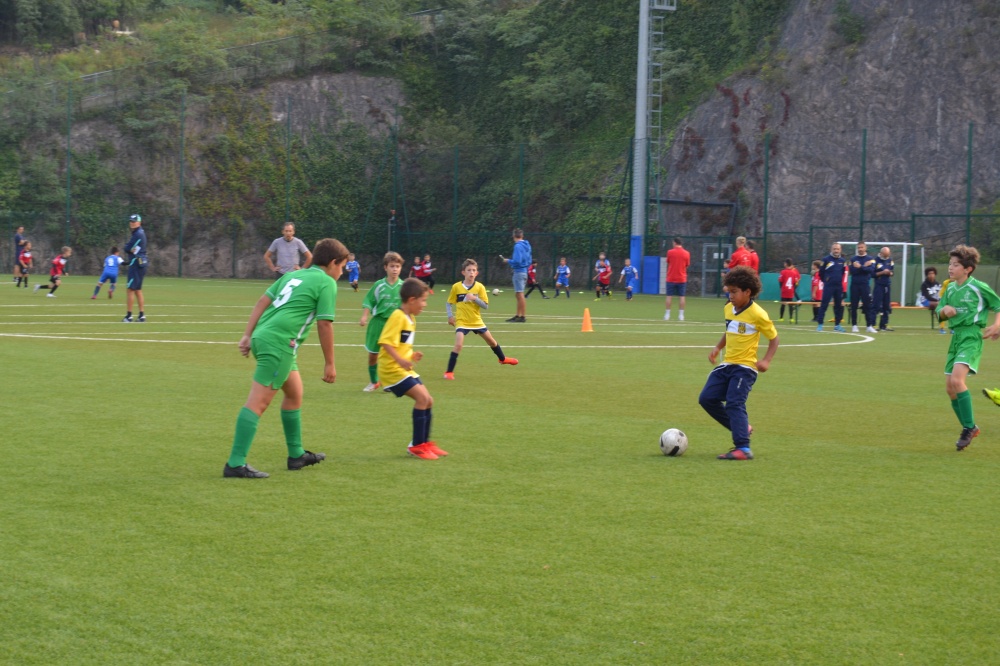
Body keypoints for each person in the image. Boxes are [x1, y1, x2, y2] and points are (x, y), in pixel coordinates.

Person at [223, 238, 348, 478]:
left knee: (294, 394)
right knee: (257, 403)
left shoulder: (293, 275)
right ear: (333, 263)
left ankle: (296, 455)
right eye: (342, 267)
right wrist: (330, 363)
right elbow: (324, 324)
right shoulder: (326, 282)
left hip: (264, 336)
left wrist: (247, 335)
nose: (342, 273)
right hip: (279, 343)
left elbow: (262, 301)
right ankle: (235, 464)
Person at [698, 266, 779, 461]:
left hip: (745, 368)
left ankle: (743, 448)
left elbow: (774, 338)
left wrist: (766, 360)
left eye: (734, 292)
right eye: (729, 291)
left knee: (734, 402)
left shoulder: (758, 314)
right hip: (727, 364)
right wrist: (718, 348)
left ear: (747, 292)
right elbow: (730, 330)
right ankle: (743, 428)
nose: (730, 295)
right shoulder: (728, 308)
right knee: (706, 399)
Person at [934, 245, 1000, 451]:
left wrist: (997, 325)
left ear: (968, 269)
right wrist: (944, 310)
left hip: (971, 336)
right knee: (950, 389)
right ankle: (970, 427)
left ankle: (969, 428)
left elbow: (998, 305)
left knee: (957, 380)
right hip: (956, 337)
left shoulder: (978, 287)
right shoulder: (950, 288)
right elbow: (939, 311)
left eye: (955, 265)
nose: (950, 268)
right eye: (950, 264)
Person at [377, 277, 447, 460]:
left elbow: (401, 344)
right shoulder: (397, 316)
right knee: (422, 398)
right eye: (423, 300)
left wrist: (411, 356)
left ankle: (424, 443)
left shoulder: (411, 319)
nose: (425, 304)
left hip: (403, 368)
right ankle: (416, 446)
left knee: (428, 400)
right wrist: (400, 359)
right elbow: (385, 342)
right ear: (411, 300)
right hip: (391, 370)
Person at [443, 258, 519, 380]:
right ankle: (449, 372)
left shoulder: (480, 287)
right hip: (462, 321)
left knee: (492, 342)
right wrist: (450, 316)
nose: (471, 272)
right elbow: (449, 303)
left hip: (476, 321)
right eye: (469, 270)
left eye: (474, 270)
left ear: (477, 273)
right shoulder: (456, 287)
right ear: (463, 272)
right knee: (458, 345)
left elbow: (485, 306)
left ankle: (503, 359)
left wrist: (475, 298)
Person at [359, 252, 404, 392]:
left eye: (397, 266)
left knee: (392, 355)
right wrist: (364, 316)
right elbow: (369, 301)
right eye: (392, 266)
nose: (395, 269)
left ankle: (389, 383)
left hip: (394, 325)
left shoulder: (403, 286)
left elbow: (408, 306)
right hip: (378, 323)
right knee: (373, 354)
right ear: (385, 267)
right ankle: (374, 382)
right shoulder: (379, 285)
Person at [500, 228, 531, 322]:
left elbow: (517, 260)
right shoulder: (527, 245)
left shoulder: (517, 246)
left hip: (519, 272)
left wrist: (508, 261)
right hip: (524, 271)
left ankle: (522, 317)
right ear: (522, 236)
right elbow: (529, 260)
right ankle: (518, 315)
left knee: (520, 294)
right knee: (518, 294)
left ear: (514, 236)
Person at [122, 214, 148, 323]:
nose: (132, 223)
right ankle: (142, 315)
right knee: (137, 290)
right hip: (141, 263)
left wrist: (127, 248)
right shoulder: (139, 232)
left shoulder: (138, 234)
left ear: (139, 222)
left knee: (130, 289)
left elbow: (128, 248)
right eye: (131, 221)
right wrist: (129, 249)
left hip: (136, 264)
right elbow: (130, 249)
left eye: (134, 221)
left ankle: (129, 316)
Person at [848, 241, 878, 333]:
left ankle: (869, 326)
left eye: (862, 247)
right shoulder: (853, 259)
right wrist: (864, 267)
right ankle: (854, 325)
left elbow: (871, 270)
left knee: (867, 305)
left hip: (865, 285)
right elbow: (852, 271)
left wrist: (860, 267)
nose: (860, 249)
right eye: (859, 247)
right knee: (854, 305)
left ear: (865, 248)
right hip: (855, 285)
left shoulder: (870, 259)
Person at [815, 243, 846, 332]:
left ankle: (837, 325)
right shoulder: (826, 259)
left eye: (838, 249)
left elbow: (843, 272)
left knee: (838, 306)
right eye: (834, 249)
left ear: (840, 250)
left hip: (838, 286)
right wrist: (826, 280)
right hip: (829, 286)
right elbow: (821, 273)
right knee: (824, 304)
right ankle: (820, 324)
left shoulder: (843, 261)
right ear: (831, 249)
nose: (836, 251)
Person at [664, 237, 690, 321]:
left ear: (675, 243)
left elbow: (668, 261)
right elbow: (687, 264)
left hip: (671, 277)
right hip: (682, 278)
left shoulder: (670, 252)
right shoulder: (686, 253)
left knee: (669, 296)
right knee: (682, 297)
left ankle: (667, 315)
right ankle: (681, 315)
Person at [872, 246, 895, 331]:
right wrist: (882, 272)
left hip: (887, 285)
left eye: (887, 256)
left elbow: (892, 272)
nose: (886, 257)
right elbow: (872, 274)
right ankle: (873, 325)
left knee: (886, 306)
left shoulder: (890, 260)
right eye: (885, 256)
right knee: (876, 305)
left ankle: (884, 325)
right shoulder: (875, 261)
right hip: (879, 285)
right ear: (881, 253)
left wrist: (889, 273)